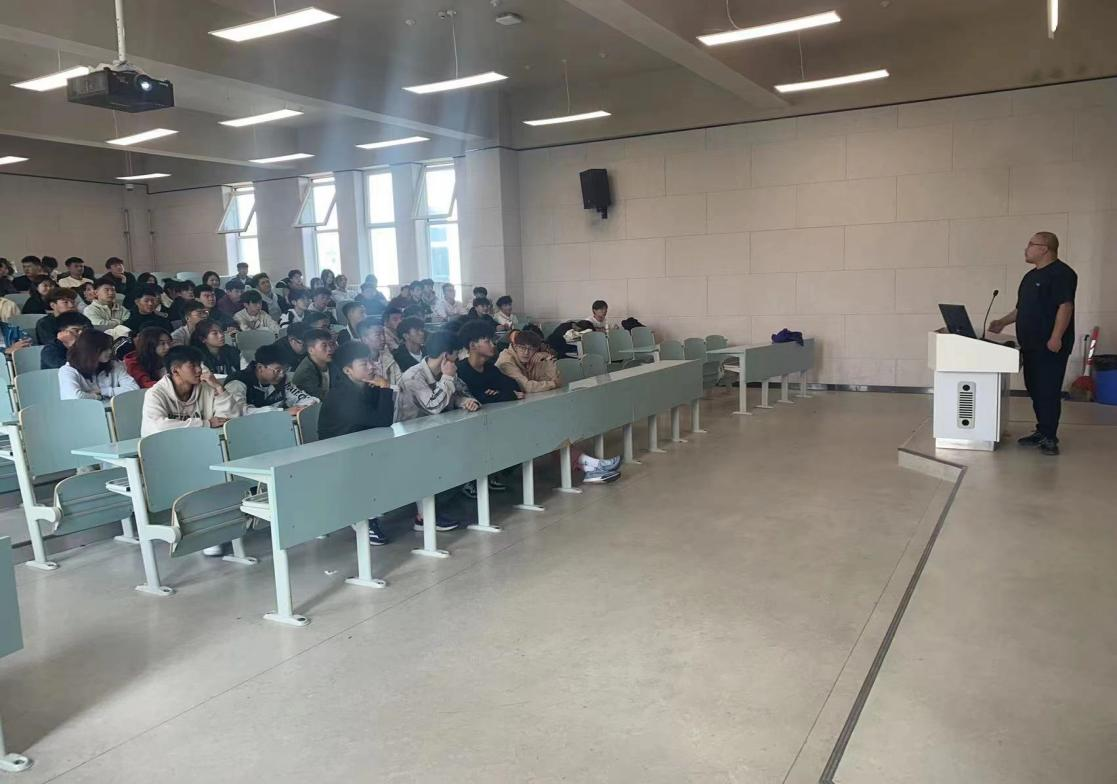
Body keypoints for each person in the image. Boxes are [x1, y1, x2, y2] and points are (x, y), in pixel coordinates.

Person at [989, 231, 1077, 456]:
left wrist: (1056, 336)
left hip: (1050, 345)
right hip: (1030, 344)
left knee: (1048, 390)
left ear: (1044, 248)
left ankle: (1050, 438)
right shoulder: (1029, 277)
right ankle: (1042, 430)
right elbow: (1021, 309)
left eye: (1031, 244)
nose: (1026, 249)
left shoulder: (1061, 273)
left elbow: (1065, 306)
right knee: (1035, 389)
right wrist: (1002, 322)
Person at [394, 330, 481, 531]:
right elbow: (434, 405)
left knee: (467, 457)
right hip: (411, 437)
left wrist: (465, 401)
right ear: (445, 356)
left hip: (436, 432)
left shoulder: (447, 372)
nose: (459, 359)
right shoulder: (413, 376)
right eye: (456, 354)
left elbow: (459, 393)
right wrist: (448, 378)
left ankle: (436, 508)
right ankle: (424, 517)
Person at [315, 341, 394, 545]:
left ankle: (372, 510)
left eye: (370, 362)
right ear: (347, 370)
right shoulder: (342, 395)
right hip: (337, 452)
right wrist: (385, 388)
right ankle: (362, 518)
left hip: (359, 445)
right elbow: (383, 420)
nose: (371, 367)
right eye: (364, 364)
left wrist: (380, 389)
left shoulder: (365, 387)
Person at [141, 346, 238, 436]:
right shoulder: (155, 394)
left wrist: (219, 388)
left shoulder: (207, 388)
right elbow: (158, 428)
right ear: (175, 371)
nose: (199, 370)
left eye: (199, 364)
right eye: (192, 365)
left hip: (203, 443)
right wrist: (206, 424)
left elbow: (228, 421)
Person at [225, 343, 318, 414]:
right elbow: (239, 412)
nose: (282, 375)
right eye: (277, 370)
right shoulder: (238, 382)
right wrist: (282, 412)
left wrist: (308, 405)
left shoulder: (281, 379)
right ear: (260, 367)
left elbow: (300, 397)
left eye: (285, 370)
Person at [58, 329, 139, 400]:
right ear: (91, 351)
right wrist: (98, 397)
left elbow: (134, 389)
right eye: (105, 349)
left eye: (110, 348)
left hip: (113, 410)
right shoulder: (68, 370)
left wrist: (104, 391)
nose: (110, 351)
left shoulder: (114, 364)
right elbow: (75, 397)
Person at [496, 329, 560, 393]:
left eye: (531, 349)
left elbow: (555, 378)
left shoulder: (534, 358)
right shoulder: (506, 361)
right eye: (522, 348)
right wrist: (553, 384)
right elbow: (526, 387)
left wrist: (547, 357)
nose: (526, 352)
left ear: (536, 350)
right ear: (515, 347)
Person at [291, 329, 337, 400]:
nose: (330, 349)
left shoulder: (332, 360)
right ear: (311, 350)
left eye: (331, 344)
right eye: (324, 346)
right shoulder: (305, 374)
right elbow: (320, 399)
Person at [356, 318, 400, 386]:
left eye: (383, 334)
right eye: (377, 335)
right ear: (365, 340)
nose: (383, 338)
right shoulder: (359, 366)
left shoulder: (389, 357)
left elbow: (401, 384)